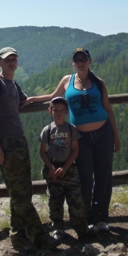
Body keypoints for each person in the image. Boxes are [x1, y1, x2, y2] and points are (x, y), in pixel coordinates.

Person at [26, 47, 121, 232]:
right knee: (85, 177)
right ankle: (86, 218)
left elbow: (108, 108)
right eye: (77, 60)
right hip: (80, 137)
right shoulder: (67, 81)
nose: (80, 62)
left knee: (103, 176)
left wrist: (116, 136)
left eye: (83, 59)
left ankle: (101, 217)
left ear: (89, 61)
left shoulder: (98, 82)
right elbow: (53, 97)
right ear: (73, 63)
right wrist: (33, 99)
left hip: (103, 134)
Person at [0, 46, 59, 250]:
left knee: (22, 191)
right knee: (20, 194)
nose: (11, 62)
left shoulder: (13, 85)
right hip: (6, 144)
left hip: (19, 142)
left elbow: (27, 101)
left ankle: (18, 236)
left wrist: (55, 99)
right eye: (7, 59)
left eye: (14, 59)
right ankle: (40, 238)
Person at [39, 96, 92, 241]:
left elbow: (76, 150)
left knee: (75, 200)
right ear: (50, 111)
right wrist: (51, 168)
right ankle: (57, 227)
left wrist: (66, 167)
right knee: (54, 200)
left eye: (62, 110)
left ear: (67, 112)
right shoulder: (47, 130)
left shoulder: (71, 129)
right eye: (55, 110)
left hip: (69, 169)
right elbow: (42, 151)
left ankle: (80, 228)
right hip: (52, 170)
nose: (59, 113)